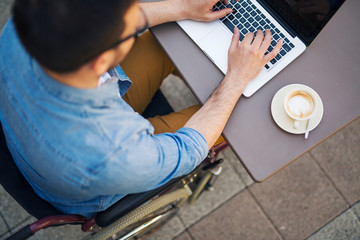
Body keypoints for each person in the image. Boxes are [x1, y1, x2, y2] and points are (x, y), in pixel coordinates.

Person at [0, 0, 282, 217]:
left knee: (167, 39)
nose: (137, 14)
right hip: (98, 171)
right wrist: (236, 79)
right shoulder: (115, 153)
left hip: (47, 131)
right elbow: (187, 149)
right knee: (242, 113)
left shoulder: (25, 25)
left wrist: (182, 7)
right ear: (101, 64)